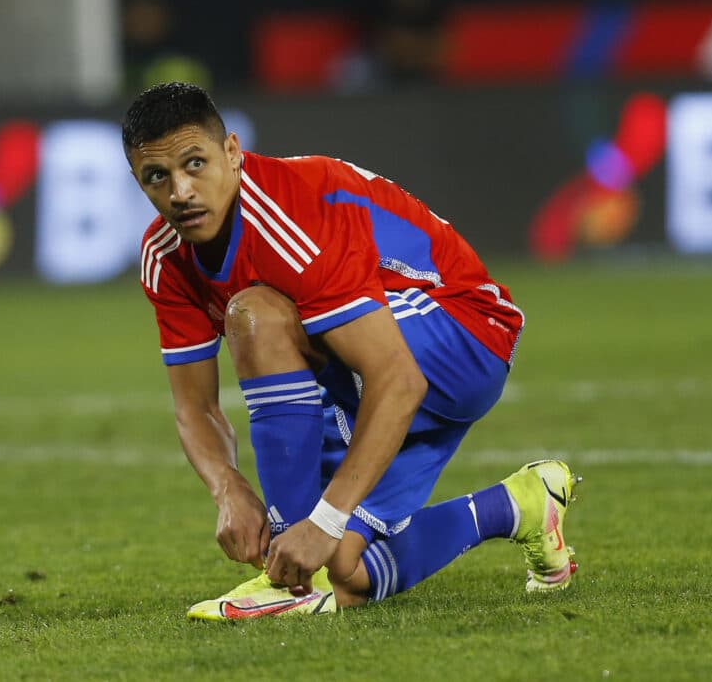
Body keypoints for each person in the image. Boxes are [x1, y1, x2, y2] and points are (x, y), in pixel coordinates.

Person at [123, 82, 581, 620]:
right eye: (158, 177)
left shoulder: (288, 216)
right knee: (349, 572)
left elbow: (398, 378)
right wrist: (228, 488)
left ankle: (292, 585)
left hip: (462, 330)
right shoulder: (165, 255)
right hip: (370, 360)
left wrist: (321, 521)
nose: (180, 191)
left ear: (232, 152)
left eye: (194, 163)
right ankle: (522, 504)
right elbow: (194, 407)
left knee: (257, 316)